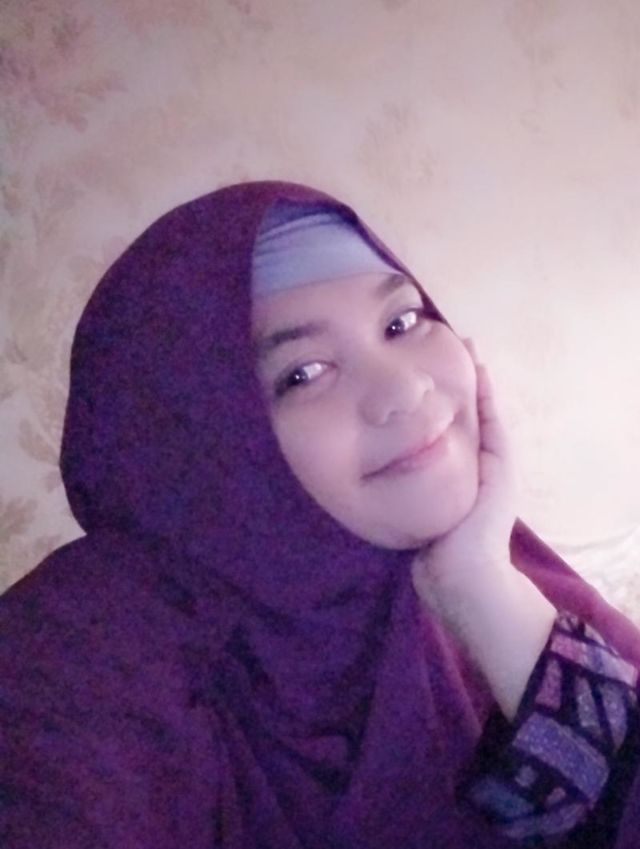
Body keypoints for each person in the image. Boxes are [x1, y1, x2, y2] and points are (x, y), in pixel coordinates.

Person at [1, 180, 639, 848]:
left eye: (401, 322)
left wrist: (482, 589)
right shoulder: (92, 641)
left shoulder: (495, 561)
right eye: (303, 373)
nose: (406, 388)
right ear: (206, 443)